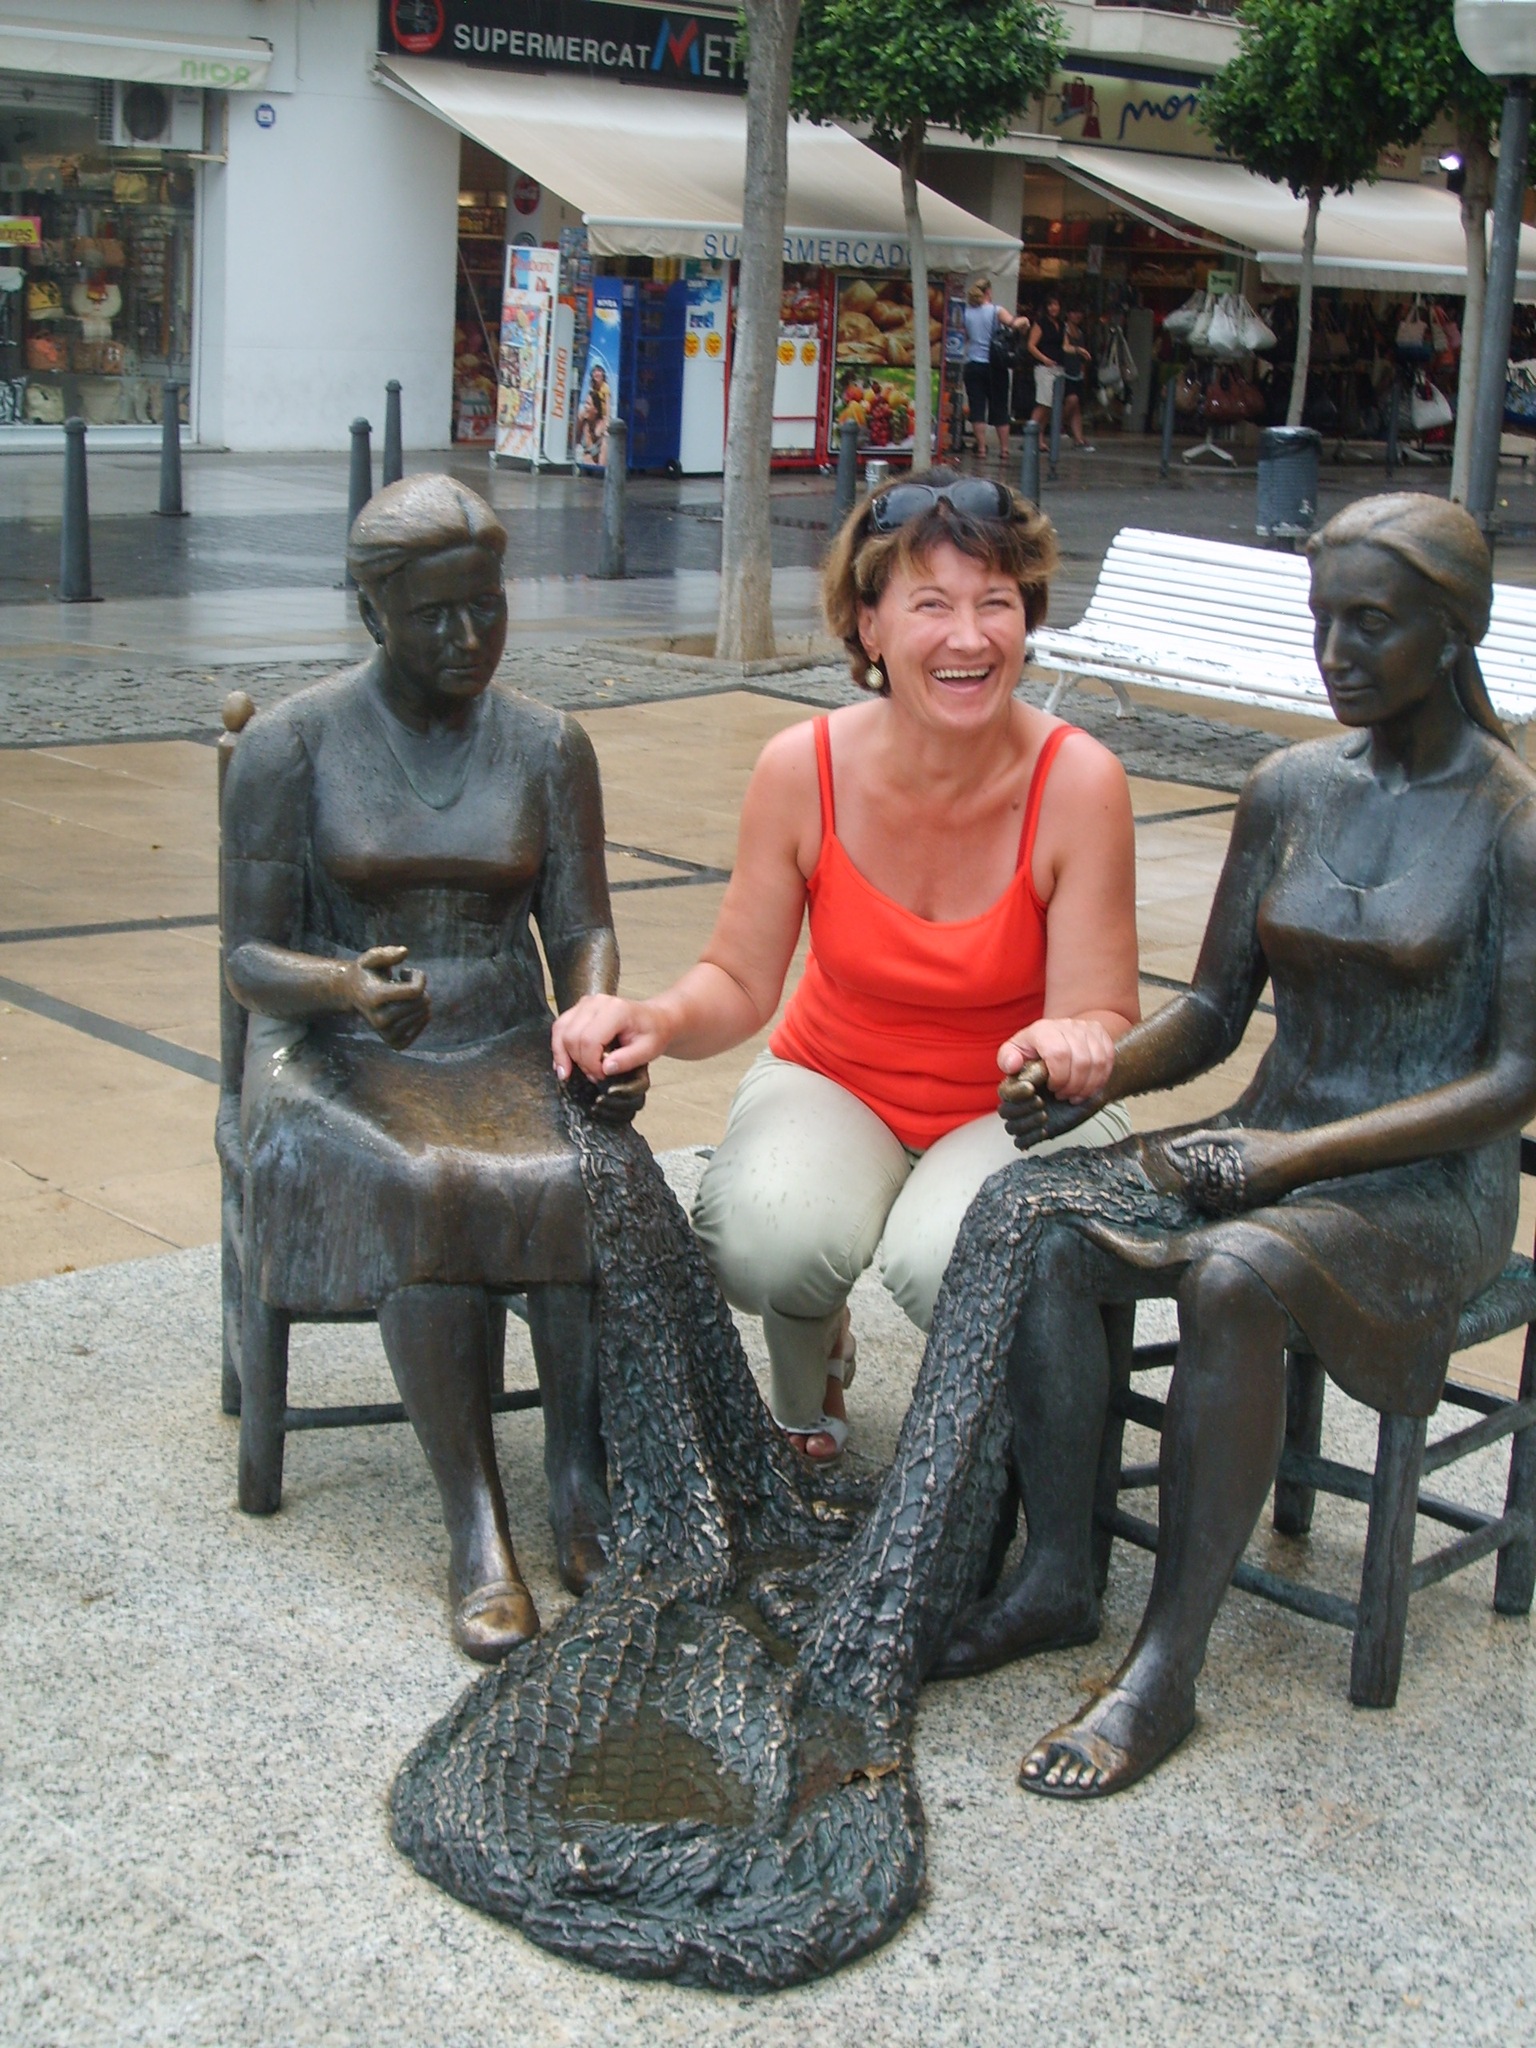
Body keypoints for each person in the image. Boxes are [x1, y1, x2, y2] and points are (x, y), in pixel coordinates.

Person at [935, 494, 1536, 1798]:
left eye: (1370, 624)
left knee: (1233, 1272)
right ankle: (1056, 1574)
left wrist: (1287, 1167)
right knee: (1034, 1213)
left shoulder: (1514, 824)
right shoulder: (1290, 789)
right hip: (1264, 1136)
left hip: (1426, 1189)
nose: (1335, 654)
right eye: (1323, 622)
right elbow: (1214, 1011)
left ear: (1453, 632)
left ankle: (1166, 1665)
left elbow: (1514, 1083)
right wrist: (1089, 1076)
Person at [552, 471, 1139, 1459]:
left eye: (996, 603)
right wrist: (654, 1017)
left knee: (951, 1256)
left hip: (1014, 1109)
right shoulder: (802, 766)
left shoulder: (1080, 780)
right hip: (839, 1076)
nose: (969, 638)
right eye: (931, 605)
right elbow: (740, 980)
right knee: (765, 1234)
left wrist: (1077, 1039)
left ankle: (989, 1448)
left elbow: (1104, 1010)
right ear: (870, 626)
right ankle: (812, 1355)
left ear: (1028, 618)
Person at [222, 476, 641, 1664]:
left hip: (505, 1032)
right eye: (434, 616)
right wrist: (343, 984)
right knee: (429, 1182)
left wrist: (595, 1013)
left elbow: (581, 925)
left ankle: (576, 1481)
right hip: (337, 1045)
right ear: (373, 615)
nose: (468, 638)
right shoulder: (291, 744)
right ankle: (476, 1525)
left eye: (487, 607)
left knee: (580, 1169)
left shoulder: (549, 743)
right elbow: (248, 959)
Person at [960, 280, 1020, 462]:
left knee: (977, 408)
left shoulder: (966, 313)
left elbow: (965, 337)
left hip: (973, 364)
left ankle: (981, 448)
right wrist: (1024, 321)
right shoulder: (996, 310)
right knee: (1000, 407)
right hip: (995, 366)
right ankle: (1004, 449)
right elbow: (1013, 323)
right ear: (988, 292)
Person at [1027, 293, 1068, 441]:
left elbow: (1065, 345)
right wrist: (1044, 359)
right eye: (1050, 305)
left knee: (1050, 405)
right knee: (1043, 403)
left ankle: (1040, 436)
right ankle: (1031, 436)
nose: (1053, 308)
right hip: (1044, 368)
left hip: (1058, 367)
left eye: (1055, 304)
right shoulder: (1041, 323)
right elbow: (1031, 345)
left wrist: (1078, 350)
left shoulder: (1062, 325)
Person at [1060, 308, 1096, 452]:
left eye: (1079, 312)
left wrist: (1083, 371)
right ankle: (1059, 423)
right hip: (1065, 372)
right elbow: (1065, 347)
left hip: (1077, 373)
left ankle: (1078, 439)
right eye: (1074, 312)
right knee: (1072, 400)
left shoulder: (1081, 333)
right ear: (1068, 314)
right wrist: (1078, 350)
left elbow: (1083, 359)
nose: (1077, 315)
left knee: (1076, 407)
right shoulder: (1064, 329)